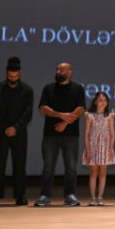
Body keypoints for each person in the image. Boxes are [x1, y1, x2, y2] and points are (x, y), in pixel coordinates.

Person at [35, 62, 86, 207]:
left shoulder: (78, 89)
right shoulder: (48, 88)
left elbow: (81, 108)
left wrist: (64, 123)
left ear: (70, 72)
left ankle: (70, 195)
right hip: (50, 135)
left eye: (62, 70)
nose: (58, 72)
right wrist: (60, 114)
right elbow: (43, 108)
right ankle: (45, 195)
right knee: (48, 167)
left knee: (71, 167)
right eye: (57, 70)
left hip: (71, 135)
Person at [0, 56, 33, 206]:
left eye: (15, 76)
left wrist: (15, 127)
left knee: (19, 164)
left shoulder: (27, 90)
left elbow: (28, 113)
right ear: (6, 73)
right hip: (1, 132)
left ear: (20, 73)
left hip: (19, 133)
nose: (13, 79)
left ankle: (20, 196)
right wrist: (5, 127)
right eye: (10, 76)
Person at [82, 91, 115, 206]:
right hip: (93, 146)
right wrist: (87, 149)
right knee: (93, 172)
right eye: (100, 100)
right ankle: (92, 198)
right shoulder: (90, 115)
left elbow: (112, 134)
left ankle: (100, 197)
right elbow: (86, 134)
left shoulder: (109, 115)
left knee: (102, 173)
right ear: (95, 102)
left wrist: (110, 149)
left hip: (105, 146)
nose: (103, 102)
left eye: (105, 100)